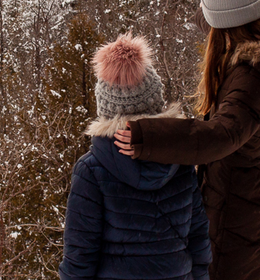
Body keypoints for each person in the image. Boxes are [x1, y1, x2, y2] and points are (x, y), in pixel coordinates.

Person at [113, 0, 260, 280]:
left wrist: (147, 137)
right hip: (256, 196)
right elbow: (224, 20)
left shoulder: (250, 78)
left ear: (224, 24)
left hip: (239, 214)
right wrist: (207, 7)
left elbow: (219, 134)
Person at [60, 33, 211, 280]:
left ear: (105, 109)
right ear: (156, 102)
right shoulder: (180, 162)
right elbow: (199, 242)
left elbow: (80, 256)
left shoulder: (91, 171)